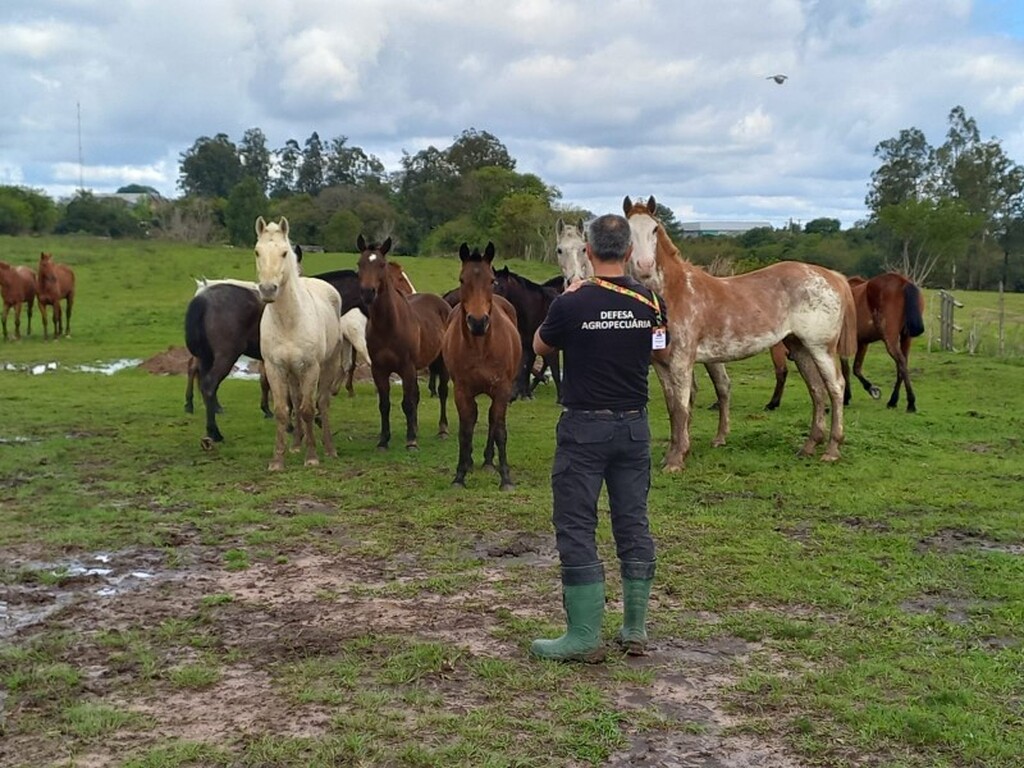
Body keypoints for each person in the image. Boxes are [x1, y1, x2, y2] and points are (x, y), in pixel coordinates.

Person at [530, 212, 670, 662]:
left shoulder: (571, 302)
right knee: (632, 521)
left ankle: (584, 636)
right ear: (629, 251)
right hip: (634, 427)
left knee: (576, 524)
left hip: (584, 428)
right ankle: (634, 629)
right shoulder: (650, 301)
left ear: (588, 251)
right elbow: (661, 349)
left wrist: (572, 304)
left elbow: (539, 346)